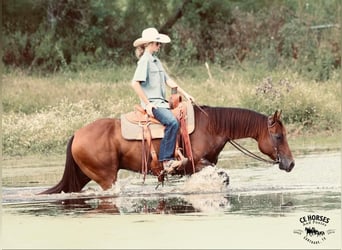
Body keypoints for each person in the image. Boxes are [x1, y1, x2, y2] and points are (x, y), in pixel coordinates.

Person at [131, 27, 194, 173]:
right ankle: (166, 161)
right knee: (172, 122)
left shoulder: (156, 61)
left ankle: (178, 152)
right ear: (151, 44)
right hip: (154, 104)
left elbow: (168, 80)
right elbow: (135, 83)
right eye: (158, 44)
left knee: (181, 117)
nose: (159, 46)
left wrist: (186, 94)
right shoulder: (145, 61)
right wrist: (148, 104)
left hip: (162, 103)